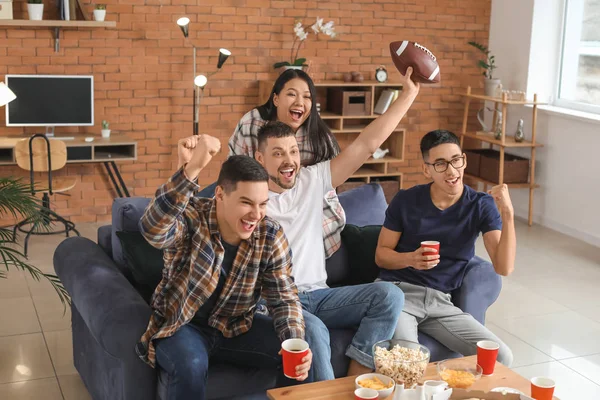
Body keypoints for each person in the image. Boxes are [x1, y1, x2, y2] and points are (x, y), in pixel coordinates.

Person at [253, 67, 420, 381]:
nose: (288, 160)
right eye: (277, 153)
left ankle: (358, 378)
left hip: (320, 295)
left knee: (389, 295)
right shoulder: (249, 199)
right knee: (313, 330)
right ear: (259, 159)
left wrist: (408, 94)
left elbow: (365, 145)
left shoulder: (311, 179)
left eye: (292, 152)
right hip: (277, 302)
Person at [136, 135, 312, 400]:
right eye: (246, 202)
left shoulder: (270, 235)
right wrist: (192, 169)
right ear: (220, 194)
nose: (256, 214)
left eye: (262, 204)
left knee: (299, 352)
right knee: (191, 364)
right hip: (185, 326)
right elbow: (153, 229)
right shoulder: (192, 217)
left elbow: (284, 298)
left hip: (237, 327)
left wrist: (295, 342)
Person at [375, 129, 515, 366]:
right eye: (440, 164)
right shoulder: (406, 200)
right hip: (399, 295)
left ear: (464, 160)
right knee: (409, 363)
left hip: (441, 302)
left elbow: (503, 267)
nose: (451, 171)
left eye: (456, 160)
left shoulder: (481, 205)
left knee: (500, 357)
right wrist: (411, 259)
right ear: (426, 169)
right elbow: (381, 256)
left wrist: (509, 215)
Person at [229, 69, 346, 259]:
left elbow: (328, 188)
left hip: (305, 206)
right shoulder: (253, 124)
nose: (300, 102)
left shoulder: (320, 138)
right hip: (260, 198)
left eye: (307, 97)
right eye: (291, 94)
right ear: (276, 99)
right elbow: (235, 170)